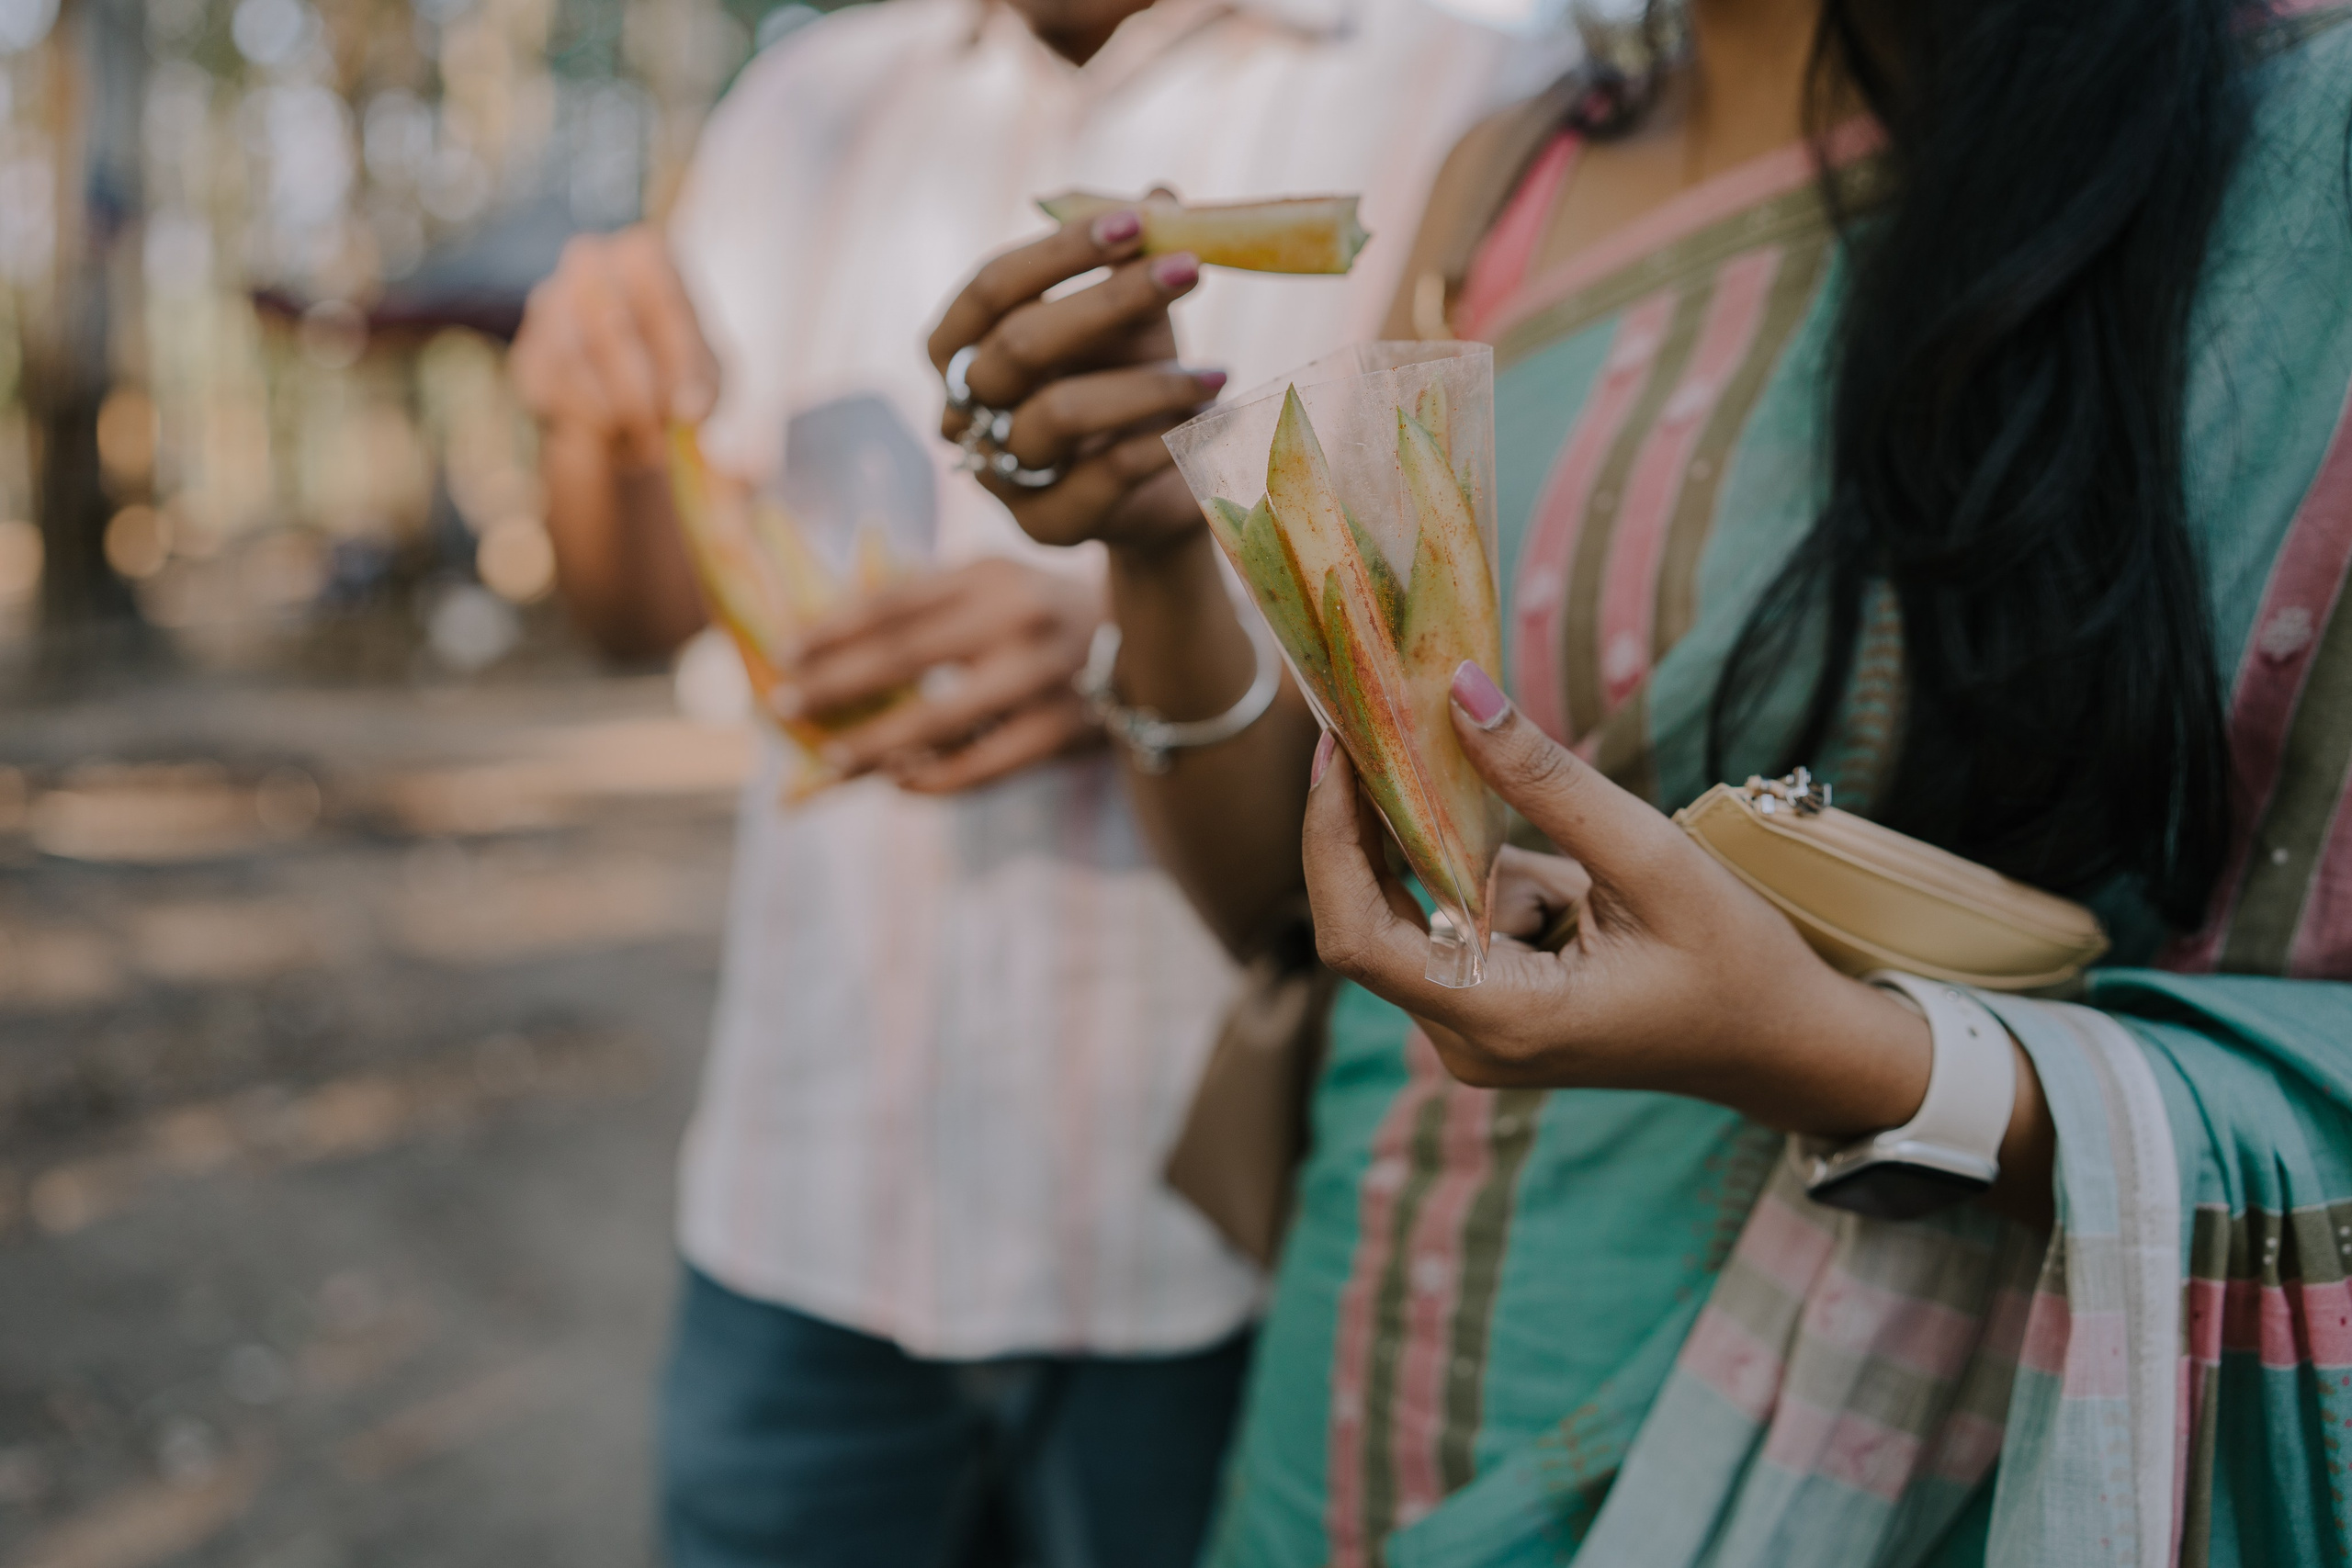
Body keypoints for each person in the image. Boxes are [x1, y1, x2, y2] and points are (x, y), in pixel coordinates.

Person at [924, 0, 2352, 1562]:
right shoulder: (1508, 177)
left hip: (1812, 1454)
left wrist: (1838, 1054)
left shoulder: (2280, 163)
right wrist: (1154, 548)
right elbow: (1300, 893)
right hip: (1344, 1385)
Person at [506, 0, 1544, 1560]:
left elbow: (1511, 653)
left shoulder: (1471, 95)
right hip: (807, 1207)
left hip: (1209, 1254)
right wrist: (593, 431)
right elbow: (634, 605)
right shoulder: (801, 103)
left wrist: (1150, 618)